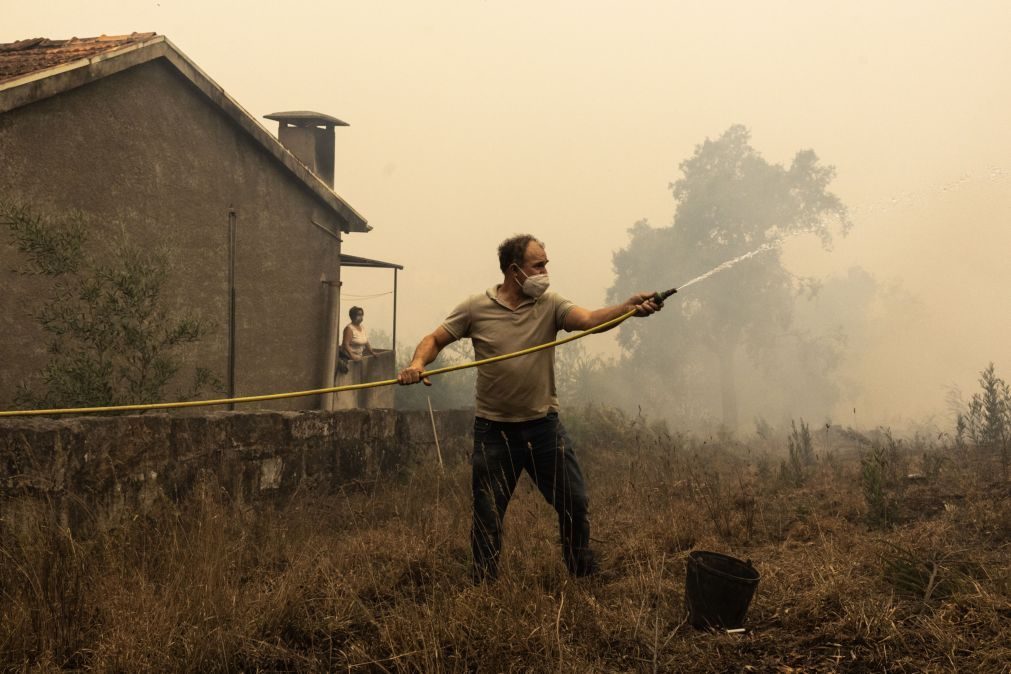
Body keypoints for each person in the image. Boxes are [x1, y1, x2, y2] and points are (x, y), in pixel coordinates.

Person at [397, 234, 663, 582]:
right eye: (539, 265)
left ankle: (583, 574)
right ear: (514, 271)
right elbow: (434, 339)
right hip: (494, 432)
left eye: (546, 264)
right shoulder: (476, 307)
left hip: (543, 428)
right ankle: (483, 584)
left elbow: (589, 320)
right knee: (487, 514)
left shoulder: (550, 304)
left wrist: (627, 308)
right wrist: (418, 363)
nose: (545, 271)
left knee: (575, 502)